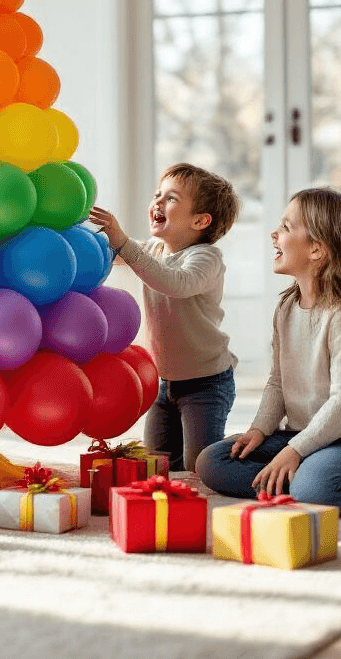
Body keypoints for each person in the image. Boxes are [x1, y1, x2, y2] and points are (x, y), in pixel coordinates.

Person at [195, 187, 341, 515]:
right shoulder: (287, 307)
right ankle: (301, 480)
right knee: (213, 462)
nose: (274, 234)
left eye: (287, 227)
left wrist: (294, 450)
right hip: (303, 436)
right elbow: (278, 381)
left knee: (317, 490)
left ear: (318, 250)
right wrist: (260, 430)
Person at [88, 163, 240, 472]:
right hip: (165, 383)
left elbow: (174, 282)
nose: (157, 202)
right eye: (157, 194)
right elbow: (113, 255)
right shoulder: (154, 249)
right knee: (159, 465)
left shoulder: (207, 257)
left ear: (200, 221)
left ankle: (243, 447)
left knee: (202, 467)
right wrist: (78, 234)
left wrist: (124, 242)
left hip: (206, 383)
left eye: (171, 198)